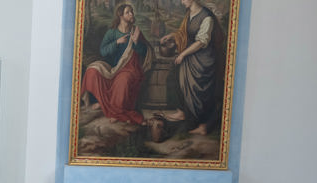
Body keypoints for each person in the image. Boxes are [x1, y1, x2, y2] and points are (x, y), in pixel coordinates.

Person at [80, 3, 153, 125]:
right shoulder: (112, 33)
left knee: (123, 80)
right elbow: (103, 51)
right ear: (120, 15)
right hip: (114, 68)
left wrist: (135, 43)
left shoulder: (135, 32)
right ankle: (104, 102)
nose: (131, 14)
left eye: (132, 12)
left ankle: (115, 112)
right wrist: (116, 43)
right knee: (92, 70)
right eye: (128, 12)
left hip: (131, 69)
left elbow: (144, 52)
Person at [161, 0, 226, 135]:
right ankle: (181, 111)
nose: (181, 1)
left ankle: (203, 125)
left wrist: (183, 54)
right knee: (174, 73)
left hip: (203, 58)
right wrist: (172, 35)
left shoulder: (207, 17)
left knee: (199, 90)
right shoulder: (189, 12)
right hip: (190, 54)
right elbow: (184, 32)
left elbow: (201, 42)